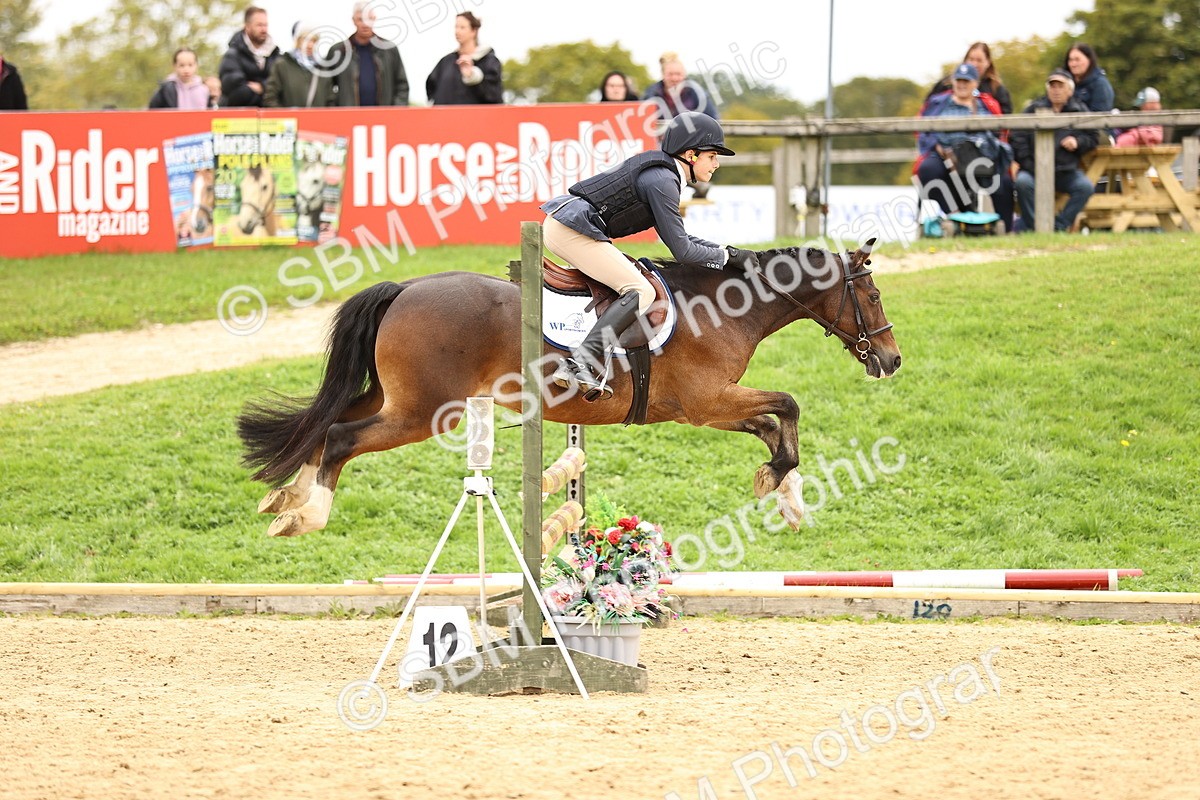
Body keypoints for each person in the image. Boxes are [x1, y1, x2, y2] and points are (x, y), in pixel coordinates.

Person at [539, 112, 754, 400]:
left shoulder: (663, 176)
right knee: (641, 290)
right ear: (691, 155)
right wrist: (726, 259)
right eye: (712, 156)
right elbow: (683, 251)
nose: (716, 164)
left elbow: (682, 240)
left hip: (570, 225)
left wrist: (728, 253)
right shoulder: (663, 181)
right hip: (570, 230)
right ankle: (579, 362)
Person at [915, 63, 1014, 231]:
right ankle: (956, 216)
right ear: (953, 82)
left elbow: (998, 133)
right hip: (945, 157)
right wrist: (935, 145)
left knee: (1003, 181)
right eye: (958, 80)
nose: (962, 85)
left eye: (966, 81)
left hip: (979, 157)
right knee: (928, 170)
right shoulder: (937, 103)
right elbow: (922, 129)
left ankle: (1004, 228)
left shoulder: (986, 104)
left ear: (975, 83)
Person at [1010, 69, 1098, 232]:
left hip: (1065, 171)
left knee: (1085, 187)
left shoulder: (1079, 110)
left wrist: (1077, 142)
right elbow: (1017, 137)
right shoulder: (1033, 109)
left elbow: (1093, 137)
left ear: (1069, 90)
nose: (1056, 90)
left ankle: (1059, 227)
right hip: (1034, 170)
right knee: (1022, 183)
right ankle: (1035, 227)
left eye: (1060, 86)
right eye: (1052, 86)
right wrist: (1029, 163)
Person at [329, 2, 409, 106]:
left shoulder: (389, 50)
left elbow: (402, 85)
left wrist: (395, 111)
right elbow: (326, 87)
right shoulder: (339, 51)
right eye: (360, 19)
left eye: (369, 19)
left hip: (384, 115)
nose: (365, 24)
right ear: (354, 20)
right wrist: (334, 110)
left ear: (374, 19)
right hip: (348, 115)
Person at [425, 11, 502, 105]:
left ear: (474, 31)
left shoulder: (489, 62)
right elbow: (431, 89)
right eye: (456, 27)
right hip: (446, 114)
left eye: (462, 27)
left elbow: (494, 96)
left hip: (475, 114)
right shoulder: (446, 62)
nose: (457, 31)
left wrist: (473, 76)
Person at [925, 42, 1012, 114]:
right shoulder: (946, 84)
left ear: (988, 62)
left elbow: (1005, 116)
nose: (974, 64)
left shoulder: (996, 88)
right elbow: (928, 107)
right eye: (971, 59)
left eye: (979, 60)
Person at [218, 6, 280, 107]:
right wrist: (267, 92)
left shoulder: (276, 56)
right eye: (259, 25)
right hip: (239, 115)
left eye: (265, 25)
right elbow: (236, 93)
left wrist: (261, 87)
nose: (264, 29)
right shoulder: (232, 56)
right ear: (247, 26)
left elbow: (282, 87)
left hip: (269, 116)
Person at [265, 21, 335, 108]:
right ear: (297, 41)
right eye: (306, 40)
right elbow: (270, 98)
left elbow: (330, 101)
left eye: (314, 40)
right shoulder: (282, 65)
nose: (310, 45)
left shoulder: (322, 69)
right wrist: (286, 115)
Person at [643, 52, 717, 119]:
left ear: (684, 75)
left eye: (678, 74)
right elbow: (641, 120)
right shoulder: (651, 94)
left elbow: (713, 119)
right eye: (670, 74)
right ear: (663, 75)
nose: (674, 78)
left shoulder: (697, 92)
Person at [1064, 43, 1114, 113]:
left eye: (1077, 60)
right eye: (1070, 60)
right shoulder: (1065, 82)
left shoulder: (1100, 84)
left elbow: (1100, 115)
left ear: (1089, 60)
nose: (1073, 64)